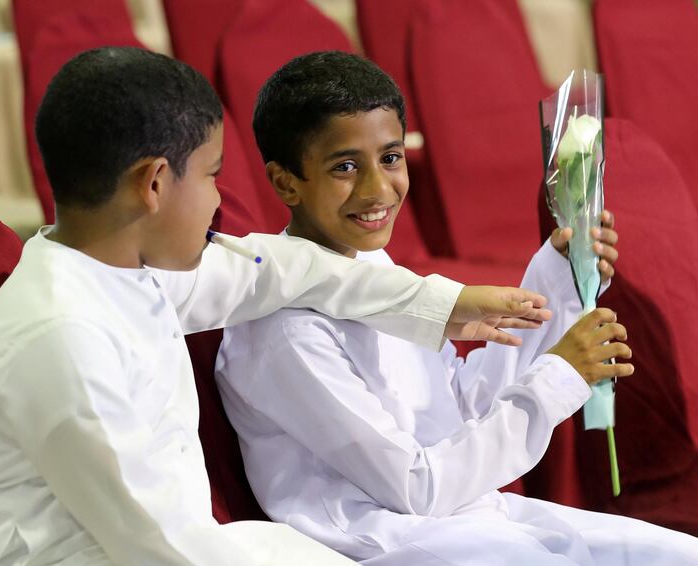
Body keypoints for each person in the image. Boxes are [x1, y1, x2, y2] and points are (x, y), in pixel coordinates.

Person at [0, 47, 549, 566]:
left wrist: (446, 304)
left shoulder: (120, 268)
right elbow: (158, 543)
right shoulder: (63, 340)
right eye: (212, 176)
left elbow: (282, 270)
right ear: (154, 183)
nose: (219, 202)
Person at [215, 51, 698, 565]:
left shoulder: (374, 266)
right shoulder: (285, 332)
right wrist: (558, 377)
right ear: (287, 181)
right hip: (382, 542)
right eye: (346, 166)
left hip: (468, 516)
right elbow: (417, 489)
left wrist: (554, 279)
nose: (379, 189)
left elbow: (459, 409)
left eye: (391, 157)